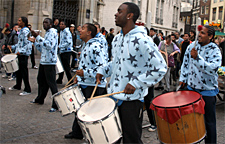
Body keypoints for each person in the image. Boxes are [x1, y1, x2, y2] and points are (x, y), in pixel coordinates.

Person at [96, 2, 167, 143]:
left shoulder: (143, 40)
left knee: (131, 140)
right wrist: (103, 71)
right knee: (112, 137)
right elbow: (116, 63)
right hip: (113, 97)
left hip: (132, 101)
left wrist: (136, 82)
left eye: (119, 11)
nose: (116, 14)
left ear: (129, 16)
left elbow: (160, 67)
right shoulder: (117, 39)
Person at [179, 25, 221, 144]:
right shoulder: (192, 46)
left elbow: (212, 69)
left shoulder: (215, 50)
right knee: (191, 121)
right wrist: (183, 78)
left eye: (203, 33)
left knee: (209, 122)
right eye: (200, 33)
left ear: (210, 36)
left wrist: (197, 58)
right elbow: (185, 64)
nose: (199, 35)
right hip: (192, 90)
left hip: (207, 91)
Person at [64, 23, 107, 139]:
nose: (79, 30)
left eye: (83, 28)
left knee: (90, 113)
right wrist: (78, 78)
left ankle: (95, 137)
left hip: (94, 85)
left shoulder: (96, 46)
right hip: (85, 83)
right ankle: (77, 132)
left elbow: (102, 68)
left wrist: (85, 73)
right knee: (80, 108)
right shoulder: (86, 45)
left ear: (89, 33)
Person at [28, 18, 59, 112]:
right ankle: (40, 99)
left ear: (51, 24)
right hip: (44, 61)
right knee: (41, 81)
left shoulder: (53, 32)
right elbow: (44, 49)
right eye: (43, 23)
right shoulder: (47, 33)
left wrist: (37, 37)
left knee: (51, 83)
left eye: (46, 22)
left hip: (50, 62)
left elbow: (49, 45)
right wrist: (36, 43)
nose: (44, 24)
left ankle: (56, 104)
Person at [8, 16, 32, 96]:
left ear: (24, 22)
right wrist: (13, 47)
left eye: (19, 21)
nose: (18, 22)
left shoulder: (26, 31)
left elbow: (28, 44)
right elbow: (20, 43)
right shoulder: (21, 31)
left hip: (23, 54)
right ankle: (18, 85)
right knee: (18, 70)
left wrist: (20, 51)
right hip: (19, 53)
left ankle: (27, 89)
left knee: (24, 71)